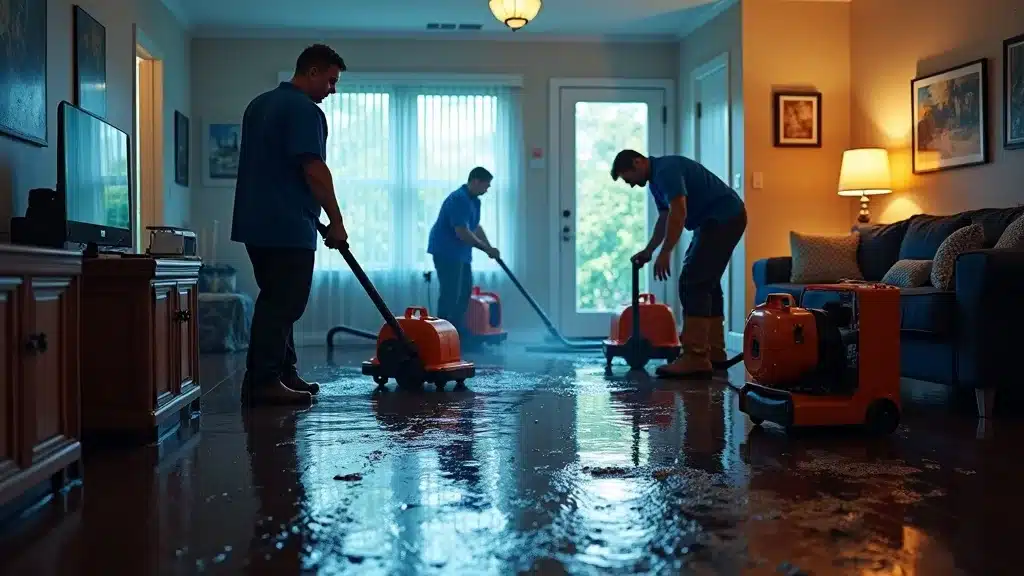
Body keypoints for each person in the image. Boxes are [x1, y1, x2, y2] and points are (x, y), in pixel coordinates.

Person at [231, 44, 349, 405]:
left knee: (276, 298)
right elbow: (313, 169)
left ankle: (283, 371)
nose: (332, 89)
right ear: (311, 72)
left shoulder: (259, 105)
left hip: (256, 221)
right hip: (287, 222)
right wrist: (337, 220)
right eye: (330, 81)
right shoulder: (304, 111)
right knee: (284, 303)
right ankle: (263, 382)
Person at [611, 150, 746, 379]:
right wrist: (650, 250)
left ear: (637, 162)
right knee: (706, 283)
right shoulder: (656, 180)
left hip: (724, 218)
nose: (632, 185)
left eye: (629, 178)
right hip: (715, 220)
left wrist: (666, 253)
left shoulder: (666, 171)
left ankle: (695, 357)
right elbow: (664, 218)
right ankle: (713, 354)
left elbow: (679, 212)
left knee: (693, 282)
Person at [427, 167, 500, 338]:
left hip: (461, 253)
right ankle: (442, 336)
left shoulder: (475, 201)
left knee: (465, 292)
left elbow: (475, 227)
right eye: (486, 185)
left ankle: (457, 332)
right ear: (475, 181)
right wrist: (485, 248)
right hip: (446, 251)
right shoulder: (458, 199)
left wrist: (489, 248)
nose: (487, 189)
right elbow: (462, 232)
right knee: (450, 294)